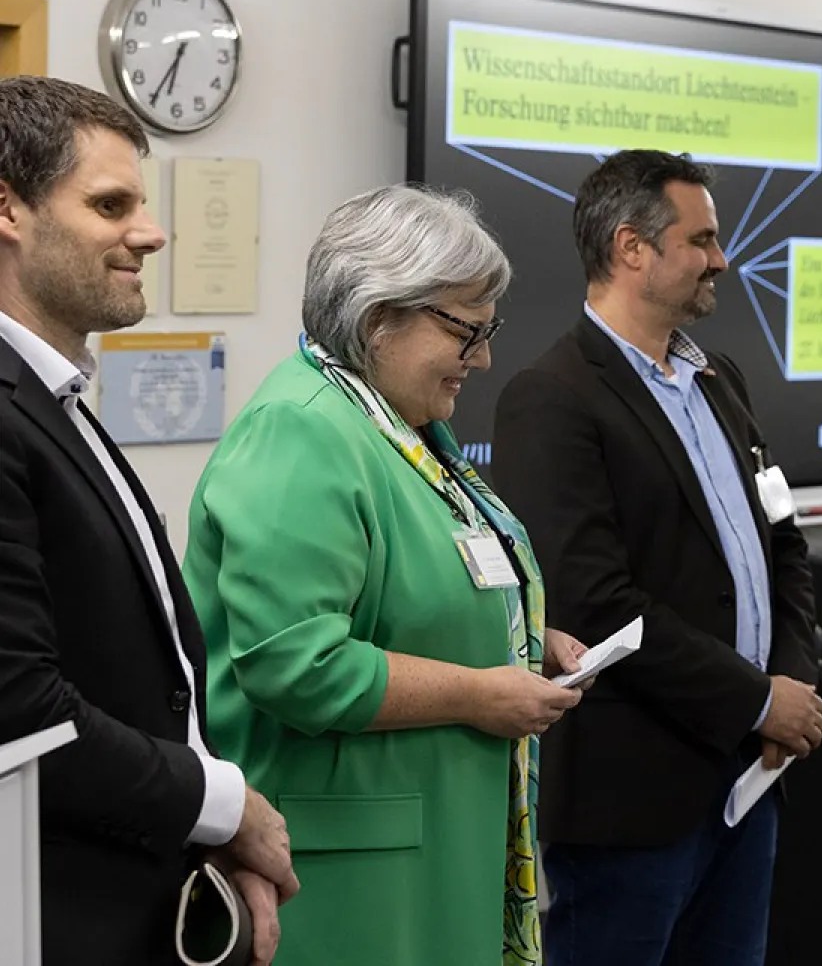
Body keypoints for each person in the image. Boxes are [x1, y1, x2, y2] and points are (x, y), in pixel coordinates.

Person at [182, 184, 585, 966]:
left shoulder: (399, 428)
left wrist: (528, 642)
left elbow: (421, 601)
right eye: (469, 329)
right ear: (378, 320)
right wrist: (481, 691)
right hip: (347, 878)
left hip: (431, 854)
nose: (486, 356)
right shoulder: (302, 430)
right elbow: (298, 664)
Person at [492, 149, 822, 966]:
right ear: (631, 248)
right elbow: (596, 602)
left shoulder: (722, 379)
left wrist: (791, 682)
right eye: (702, 240)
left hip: (744, 783)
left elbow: (783, 541)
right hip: (631, 802)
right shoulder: (552, 397)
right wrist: (757, 700)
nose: (721, 259)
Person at [0, 76, 296, 965]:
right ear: (8, 210)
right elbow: (19, 712)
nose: (152, 231)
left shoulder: (52, 398)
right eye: (109, 204)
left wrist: (208, 832)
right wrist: (223, 804)